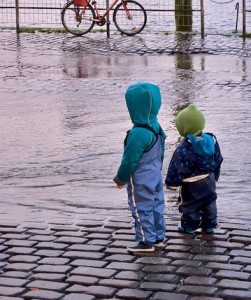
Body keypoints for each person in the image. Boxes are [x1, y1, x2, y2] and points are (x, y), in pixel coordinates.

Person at [113, 82, 166, 253]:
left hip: (141, 179)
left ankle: (145, 241)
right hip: (155, 175)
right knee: (156, 206)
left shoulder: (138, 133)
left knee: (140, 207)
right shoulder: (157, 127)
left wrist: (121, 178)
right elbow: (161, 153)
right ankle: (158, 237)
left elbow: (129, 160)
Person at [165, 104, 223, 234]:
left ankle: (189, 226)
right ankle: (209, 225)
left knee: (189, 205)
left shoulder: (184, 148)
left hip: (191, 184)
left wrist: (171, 183)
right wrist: (216, 175)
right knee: (210, 203)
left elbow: (177, 167)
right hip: (209, 179)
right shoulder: (212, 141)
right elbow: (218, 158)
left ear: (183, 128)